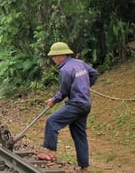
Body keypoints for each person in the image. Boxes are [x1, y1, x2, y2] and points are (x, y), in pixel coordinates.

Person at [36, 42, 99, 173]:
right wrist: (85, 87)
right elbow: (94, 74)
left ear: (61, 55)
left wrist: (53, 100)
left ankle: (51, 153)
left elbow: (63, 91)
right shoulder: (79, 63)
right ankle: (84, 167)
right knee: (79, 134)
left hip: (76, 104)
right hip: (86, 104)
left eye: (54, 56)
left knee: (52, 121)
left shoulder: (65, 70)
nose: (53, 59)